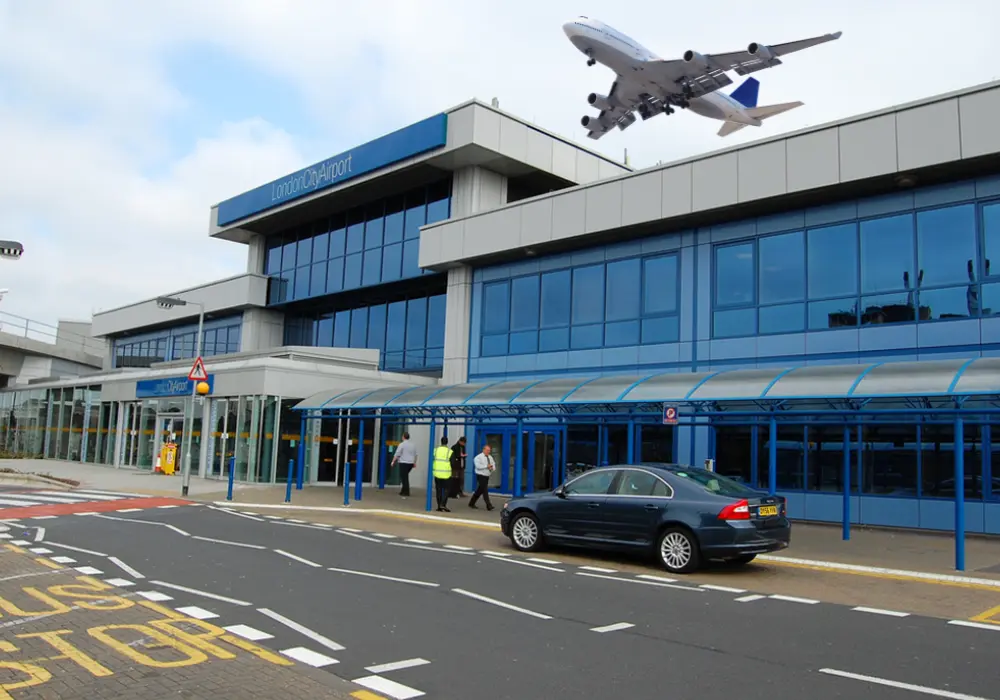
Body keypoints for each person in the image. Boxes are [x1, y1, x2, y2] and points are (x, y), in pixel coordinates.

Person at [468, 443, 496, 511]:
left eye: (489, 450)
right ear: (483, 450)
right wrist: (486, 466)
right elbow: (478, 467)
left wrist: (492, 468)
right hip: (480, 475)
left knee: (480, 490)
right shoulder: (478, 457)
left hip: (487, 475)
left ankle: (471, 503)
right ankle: (488, 505)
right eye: (487, 450)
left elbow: (493, 464)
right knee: (484, 490)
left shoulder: (490, 457)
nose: (488, 452)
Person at [391, 432, 417, 497]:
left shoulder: (402, 444)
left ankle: (406, 492)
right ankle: (403, 491)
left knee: (404, 477)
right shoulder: (412, 445)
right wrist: (414, 462)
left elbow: (397, 454)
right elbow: (416, 455)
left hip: (403, 462)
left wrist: (393, 461)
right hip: (410, 463)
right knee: (404, 476)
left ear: (403, 437)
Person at [432, 436, 453, 512]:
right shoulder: (449, 451)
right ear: (447, 442)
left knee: (438, 490)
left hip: (437, 473)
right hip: (446, 474)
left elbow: (432, 459)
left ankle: (439, 506)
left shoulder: (435, 450)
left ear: (441, 442)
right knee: (447, 489)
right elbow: (453, 463)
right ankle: (443, 504)